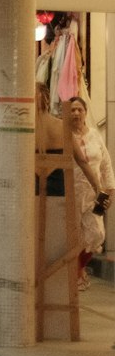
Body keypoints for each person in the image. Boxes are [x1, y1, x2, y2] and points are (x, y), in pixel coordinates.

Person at [67, 95, 115, 289]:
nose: (76, 113)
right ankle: (76, 274)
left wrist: (110, 189)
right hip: (71, 192)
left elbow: (106, 164)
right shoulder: (64, 136)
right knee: (74, 236)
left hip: (95, 193)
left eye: (80, 109)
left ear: (86, 112)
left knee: (97, 234)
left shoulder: (95, 134)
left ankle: (78, 269)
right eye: (72, 110)